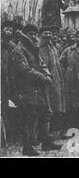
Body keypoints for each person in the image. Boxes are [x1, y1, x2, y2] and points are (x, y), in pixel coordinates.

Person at [10, 24, 62, 156]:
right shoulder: (18, 50)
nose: (32, 36)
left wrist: (48, 74)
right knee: (30, 118)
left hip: (39, 89)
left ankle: (46, 142)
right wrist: (43, 78)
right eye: (30, 34)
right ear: (24, 34)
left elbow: (42, 63)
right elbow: (25, 70)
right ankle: (27, 147)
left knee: (45, 114)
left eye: (34, 33)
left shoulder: (33, 48)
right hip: (26, 89)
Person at [39, 26, 65, 136]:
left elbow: (57, 63)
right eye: (45, 33)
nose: (48, 35)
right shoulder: (39, 48)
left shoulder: (53, 47)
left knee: (57, 106)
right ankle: (42, 134)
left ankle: (53, 131)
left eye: (49, 33)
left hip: (56, 80)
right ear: (41, 35)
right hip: (45, 81)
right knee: (46, 107)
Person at [1, 20, 16, 147]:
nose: (8, 32)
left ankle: (9, 134)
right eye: (6, 29)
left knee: (7, 107)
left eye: (10, 30)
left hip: (9, 80)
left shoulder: (12, 46)